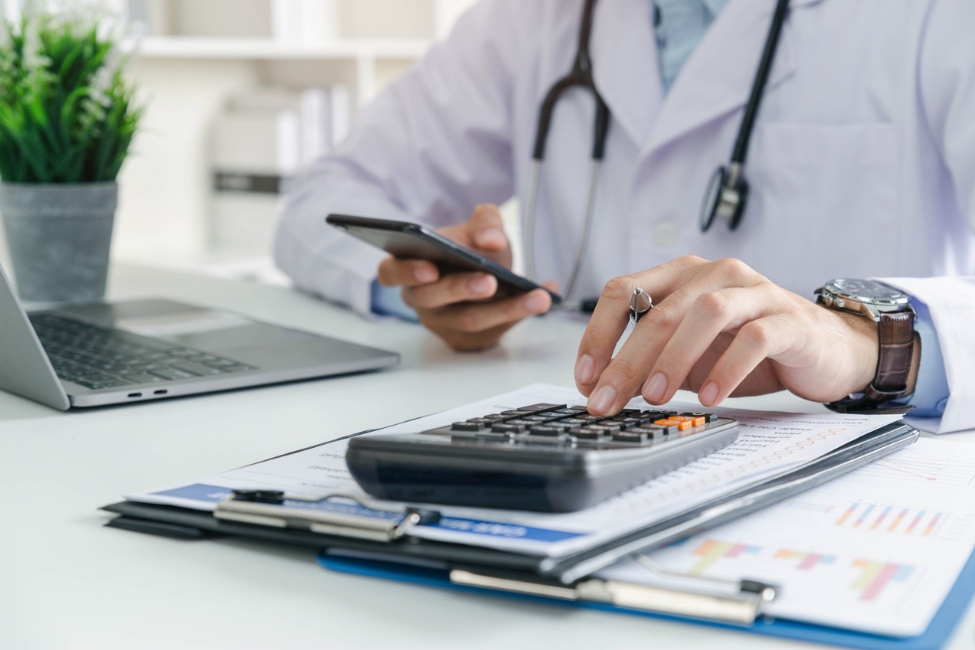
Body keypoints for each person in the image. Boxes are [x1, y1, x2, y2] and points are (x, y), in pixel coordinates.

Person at [275, 0, 975, 433]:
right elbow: (322, 199)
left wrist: (864, 347)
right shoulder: (531, 18)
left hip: (846, 465)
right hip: (575, 433)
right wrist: (424, 280)